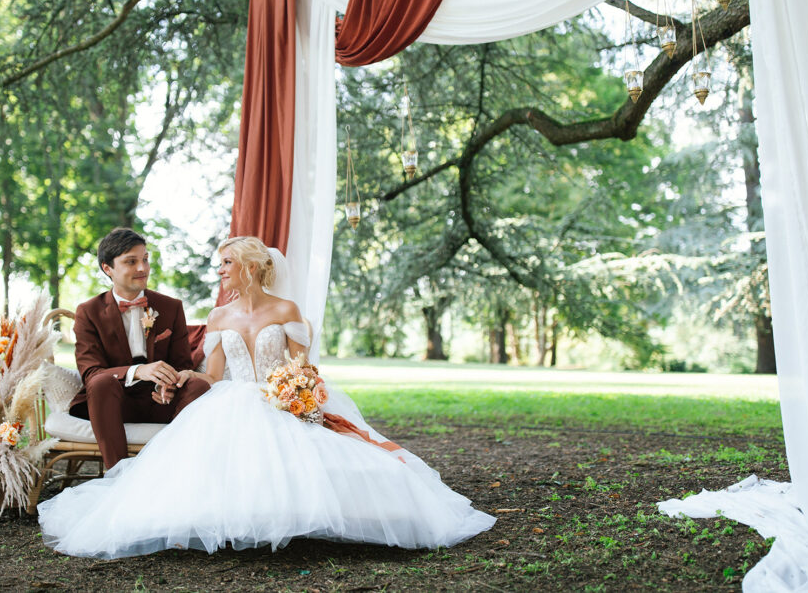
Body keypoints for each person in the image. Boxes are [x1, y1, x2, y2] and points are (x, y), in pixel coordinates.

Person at [38, 236, 495, 558]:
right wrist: (187, 386)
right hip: (233, 397)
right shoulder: (218, 315)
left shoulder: (287, 311)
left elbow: (303, 367)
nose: (218, 272)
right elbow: (212, 375)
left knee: (321, 449)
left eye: (225, 265)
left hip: (285, 395)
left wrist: (298, 391)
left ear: (250, 267)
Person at [68, 227, 210, 469]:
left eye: (145, 259)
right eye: (131, 262)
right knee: (100, 382)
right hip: (114, 403)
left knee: (198, 385)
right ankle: (118, 475)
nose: (142, 268)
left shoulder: (171, 307)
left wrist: (169, 385)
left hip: (160, 403)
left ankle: (170, 467)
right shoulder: (88, 312)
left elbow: (183, 365)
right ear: (107, 268)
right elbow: (91, 373)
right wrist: (138, 371)